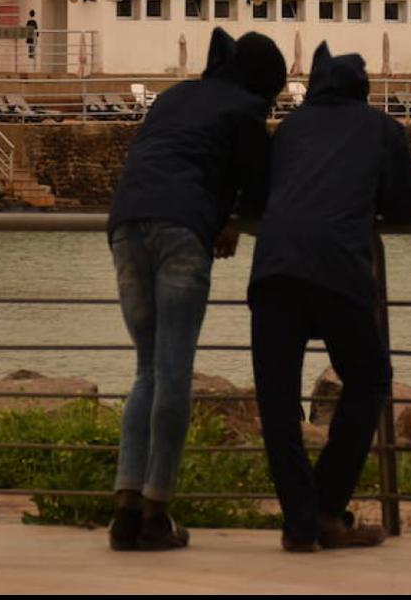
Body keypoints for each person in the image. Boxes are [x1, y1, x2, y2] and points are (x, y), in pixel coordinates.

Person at [106, 27, 285, 552]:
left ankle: (125, 512)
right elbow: (258, 190)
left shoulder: (176, 95)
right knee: (173, 372)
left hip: (125, 226)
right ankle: (157, 512)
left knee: (146, 370)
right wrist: (228, 219)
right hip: (182, 231)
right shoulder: (247, 111)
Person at [247, 43, 411, 553]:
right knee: (368, 381)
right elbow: (408, 207)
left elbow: (261, 198)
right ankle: (326, 508)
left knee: (278, 404)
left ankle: (301, 524)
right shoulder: (381, 130)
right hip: (338, 272)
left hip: (275, 271)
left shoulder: (290, 130)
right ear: (362, 88)